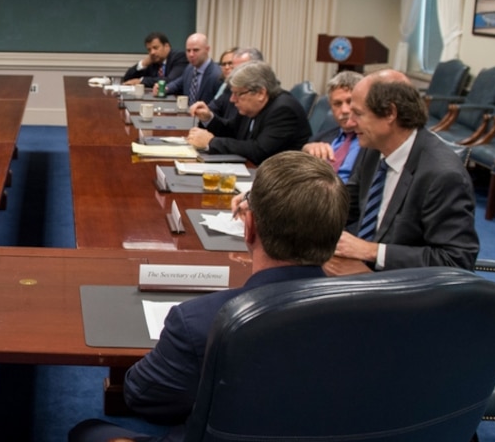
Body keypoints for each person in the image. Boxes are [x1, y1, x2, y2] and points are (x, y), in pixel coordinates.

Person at [68, 151, 349, 442]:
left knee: (87, 431)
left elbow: (142, 397)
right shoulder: (370, 316)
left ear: (249, 227)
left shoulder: (199, 321)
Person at [331, 69, 478, 272]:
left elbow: (456, 260)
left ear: (390, 113)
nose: (350, 122)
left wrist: (372, 251)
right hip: (363, 270)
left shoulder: (443, 175)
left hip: (403, 286)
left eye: (358, 113)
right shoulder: (375, 148)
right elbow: (347, 207)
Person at [185, 61, 311, 164]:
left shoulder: (283, 110)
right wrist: (208, 118)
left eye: (238, 94)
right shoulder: (252, 106)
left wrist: (211, 142)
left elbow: (258, 151)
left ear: (261, 93)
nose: (232, 99)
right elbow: (233, 131)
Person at [302, 71, 364, 182]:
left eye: (350, 102)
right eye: (337, 104)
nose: (344, 110)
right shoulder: (319, 138)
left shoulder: (375, 142)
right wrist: (305, 152)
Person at [154, 33, 222, 105]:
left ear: (207, 49)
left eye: (195, 50)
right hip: (187, 113)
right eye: (188, 50)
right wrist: (164, 88)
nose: (191, 54)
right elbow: (178, 84)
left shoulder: (217, 75)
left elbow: (219, 106)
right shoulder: (190, 68)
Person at [209, 47, 263, 119]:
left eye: (230, 64)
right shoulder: (228, 88)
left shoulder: (277, 106)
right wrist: (206, 116)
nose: (232, 99)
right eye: (223, 64)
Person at [122, 32, 187, 87]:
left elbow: (170, 80)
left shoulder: (179, 57)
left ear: (167, 46)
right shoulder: (153, 61)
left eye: (155, 48)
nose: (152, 52)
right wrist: (143, 63)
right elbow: (127, 79)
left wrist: (141, 81)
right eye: (149, 50)